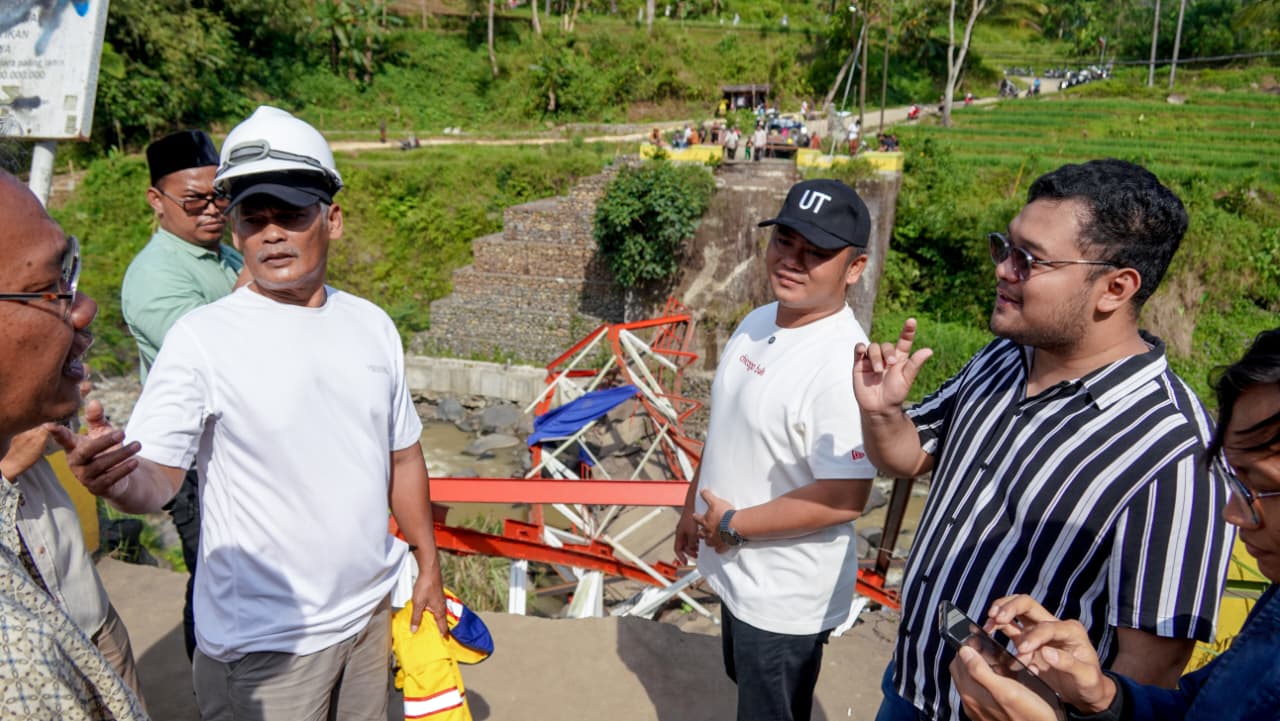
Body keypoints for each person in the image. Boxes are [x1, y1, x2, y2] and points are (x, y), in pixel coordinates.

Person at [56, 106, 450, 721]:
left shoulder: (371, 325)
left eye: (290, 214)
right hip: (267, 645)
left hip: (370, 612)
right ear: (235, 229)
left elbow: (403, 454)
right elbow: (157, 476)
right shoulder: (203, 337)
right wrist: (119, 478)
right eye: (252, 217)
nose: (272, 234)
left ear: (333, 220)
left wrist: (427, 560)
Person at [853, 159, 1235, 721]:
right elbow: (911, 456)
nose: (1004, 270)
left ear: (1115, 287)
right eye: (1003, 247)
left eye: (1028, 259)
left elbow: (1148, 672)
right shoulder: (1005, 355)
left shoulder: (1177, 452)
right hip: (913, 680)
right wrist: (884, 413)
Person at [951, 327, 1280, 721]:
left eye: (1263, 488)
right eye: (1236, 481)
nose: (1234, 513)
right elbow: (1198, 707)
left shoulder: (1174, 442)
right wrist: (1102, 696)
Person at [675, 179, 878, 721]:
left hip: (784, 595)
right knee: (748, 692)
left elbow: (844, 498)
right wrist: (692, 505)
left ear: (853, 269)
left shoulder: (841, 367)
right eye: (785, 240)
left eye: (816, 253)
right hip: (736, 569)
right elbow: (726, 426)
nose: (793, 260)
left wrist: (734, 522)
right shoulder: (759, 320)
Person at [0, 170, 147, 720]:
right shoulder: (18, 658)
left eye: (71, 272)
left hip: (81, 603)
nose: (83, 309)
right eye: (50, 286)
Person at [121, 128, 243, 662]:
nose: (212, 210)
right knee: (213, 576)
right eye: (194, 200)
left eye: (222, 195)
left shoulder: (227, 259)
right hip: (192, 463)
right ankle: (209, 690)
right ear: (157, 200)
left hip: (240, 450)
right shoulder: (154, 277)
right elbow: (214, 354)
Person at [4, 423, 145, 704]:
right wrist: (6, 469)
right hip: (26, 658)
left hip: (90, 611)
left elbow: (54, 433)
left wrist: (69, 426)